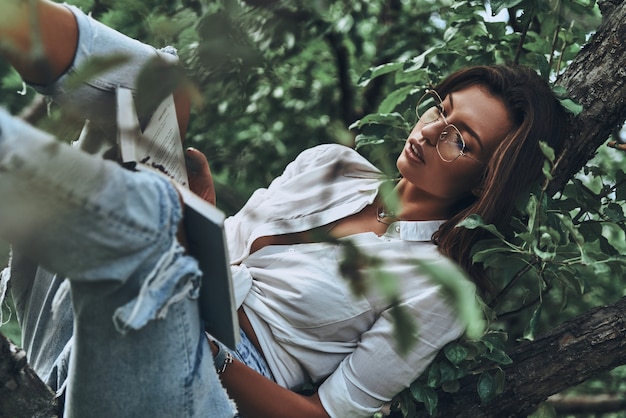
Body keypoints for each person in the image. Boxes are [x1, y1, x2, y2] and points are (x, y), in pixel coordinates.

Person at [0, 1, 568, 417]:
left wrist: (207, 348)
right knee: (155, 85)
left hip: (196, 381)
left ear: (486, 180)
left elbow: (323, 416)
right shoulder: (331, 164)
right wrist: (200, 210)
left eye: (460, 139)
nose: (430, 131)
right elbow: (218, 253)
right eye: (441, 109)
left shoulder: (439, 287)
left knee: (146, 222)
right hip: (136, 295)